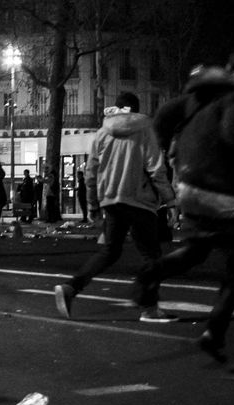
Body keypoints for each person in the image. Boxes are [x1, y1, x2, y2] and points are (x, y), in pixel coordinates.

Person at [137, 53, 234, 362]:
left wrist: (167, 150)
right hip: (218, 187)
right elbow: (233, 136)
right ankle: (214, 332)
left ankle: (152, 271)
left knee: (196, 249)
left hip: (188, 184)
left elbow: (164, 113)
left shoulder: (199, 96)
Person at [54, 92, 176, 323]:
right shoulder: (145, 129)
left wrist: (93, 204)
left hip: (111, 200)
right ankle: (149, 308)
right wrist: (170, 200)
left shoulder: (102, 132)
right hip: (140, 201)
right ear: (135, 110)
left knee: (110, 251)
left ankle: (71, 287)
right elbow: (155, 167)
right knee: (151, 255)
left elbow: (91, 172)